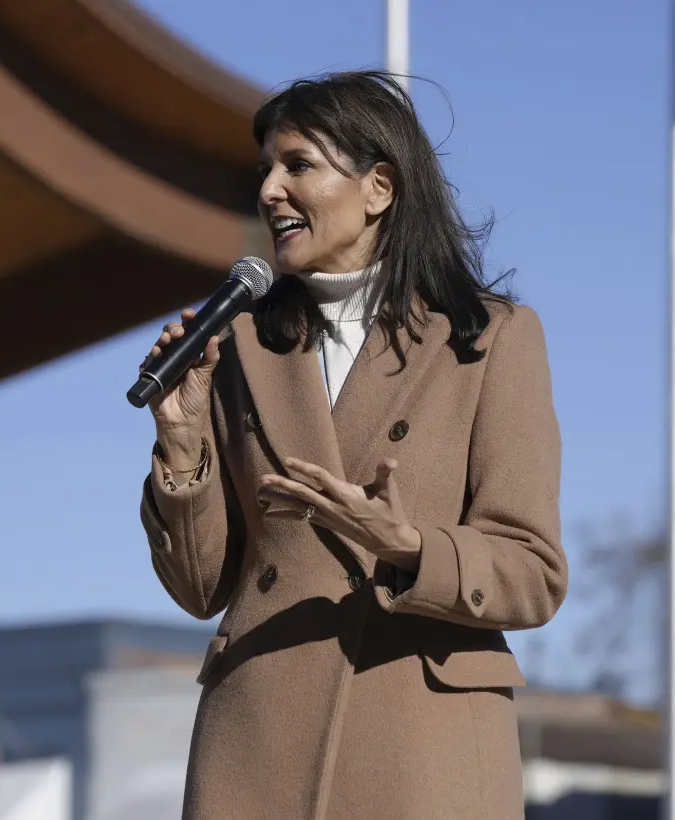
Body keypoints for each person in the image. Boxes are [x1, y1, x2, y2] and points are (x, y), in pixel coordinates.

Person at [137, 70, 566, 820]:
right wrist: (180, 442)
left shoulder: (489, 340)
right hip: (258, 745)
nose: (270, 189)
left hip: (420, 749)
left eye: (297, 164)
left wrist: (409, 546)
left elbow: (533, 573)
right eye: (265, 169)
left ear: (379, 187)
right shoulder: (239, 346)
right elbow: (202, 588)